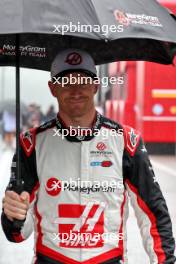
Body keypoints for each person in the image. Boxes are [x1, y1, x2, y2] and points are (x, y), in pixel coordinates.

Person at [1, 49, 175, 264]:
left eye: (83, 82)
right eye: (66, 83)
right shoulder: (31, 144)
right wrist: (12, 214)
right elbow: (17, 234)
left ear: (96, 86)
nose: (76, 90)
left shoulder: (126, 141)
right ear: (53, 88)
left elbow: (154, 213)